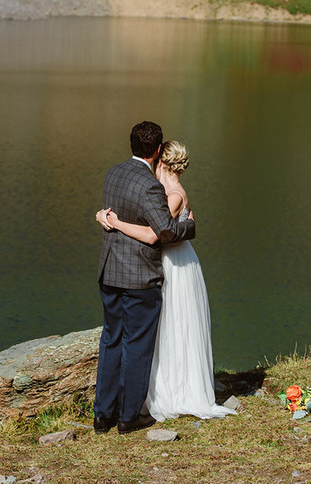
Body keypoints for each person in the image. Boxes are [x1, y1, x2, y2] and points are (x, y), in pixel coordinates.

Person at [97, 140, 235, 422]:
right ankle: (146, 393)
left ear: (161, 162)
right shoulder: (166, 191)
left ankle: (170, 392)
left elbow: (154, 235)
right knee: (164, 329)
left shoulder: (172, 195)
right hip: (174, 260)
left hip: (172, 264)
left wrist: (114, 221)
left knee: (171, 326)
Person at [93, 121, 196, 436]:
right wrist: (189, 224)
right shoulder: (150, 184)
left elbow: (111, 214)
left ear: (132, 145)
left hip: (110, 271)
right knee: (136, 345)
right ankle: (129, 417)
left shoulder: (114, 173)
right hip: (139, 277)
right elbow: (163, 231)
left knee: (111, 340)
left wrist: (106, 218)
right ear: (156, 151)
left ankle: (102, 415)